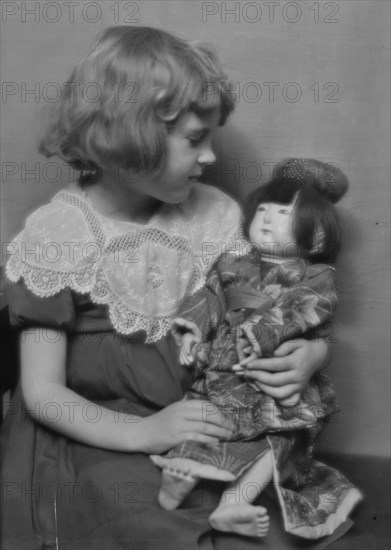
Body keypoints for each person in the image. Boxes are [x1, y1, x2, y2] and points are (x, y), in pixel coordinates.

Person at [1, 27, 334, 550]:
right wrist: (142, 432)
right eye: (195, 140)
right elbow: (43, 395)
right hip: (98, 424)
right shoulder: (60, 235)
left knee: (270, 494)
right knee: (146, 516)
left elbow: (264, 309)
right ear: (132, 139)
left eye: (212, 138)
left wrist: (310, 352)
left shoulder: (214, 215)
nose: (208, 158)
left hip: (199, 407)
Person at [151, 158, 362, 539]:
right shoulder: (233, 262)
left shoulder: (316, 276)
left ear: (315, 236)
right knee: (204, 419)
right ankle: (177, 477)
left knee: (277, 441)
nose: (266, 218)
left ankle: (235, 503)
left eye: (282, 213)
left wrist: (259, 331)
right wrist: (193, 331)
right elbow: (210, 296)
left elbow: (303, 309)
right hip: (225, 370)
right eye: (262, 210)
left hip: (270, 379)